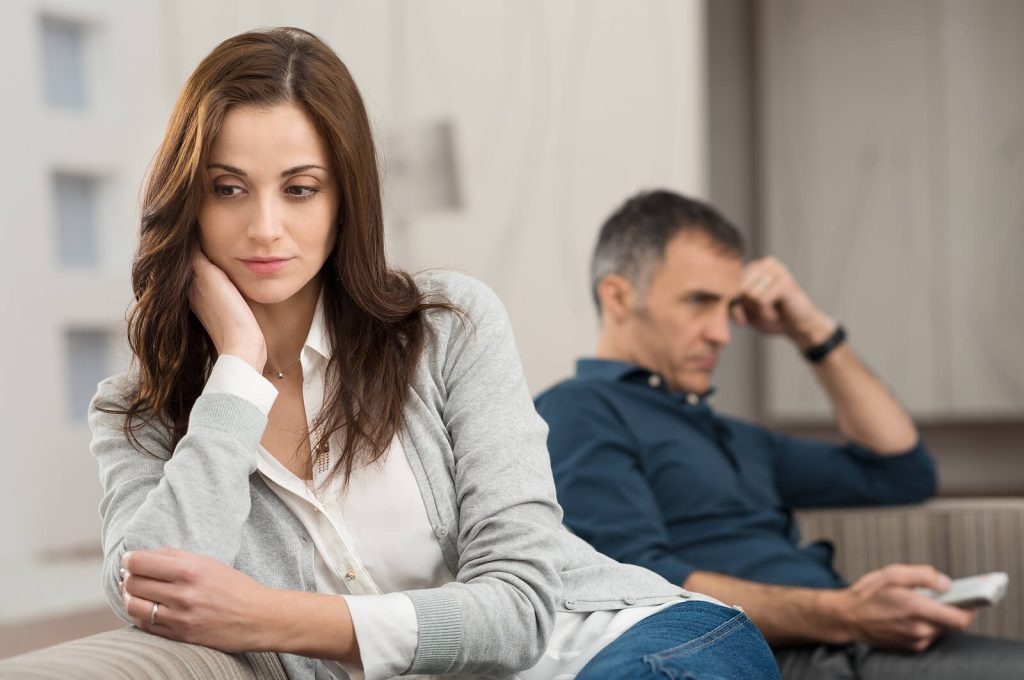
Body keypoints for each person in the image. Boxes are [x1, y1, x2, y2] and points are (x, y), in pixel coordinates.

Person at [91, 29, 781, 680]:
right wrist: (237, 367)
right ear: (189, 200)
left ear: (344, 202)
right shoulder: (138, 413)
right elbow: (151, 592)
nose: (265, 227)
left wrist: (268, 617)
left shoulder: (449, 326)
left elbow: (520, 607)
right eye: (228, 188)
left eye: (300, 189)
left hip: (635, 643)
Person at [535, 189, 1024, 679]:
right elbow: (639, 585)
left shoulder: (737, 436)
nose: (722, 334)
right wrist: (847, 613)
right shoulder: (579, 408)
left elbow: (901, 471)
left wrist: (810, 329)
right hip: (760, 654)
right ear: (618, 297)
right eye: (699, 303)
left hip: (850, 649)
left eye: (729, 308)